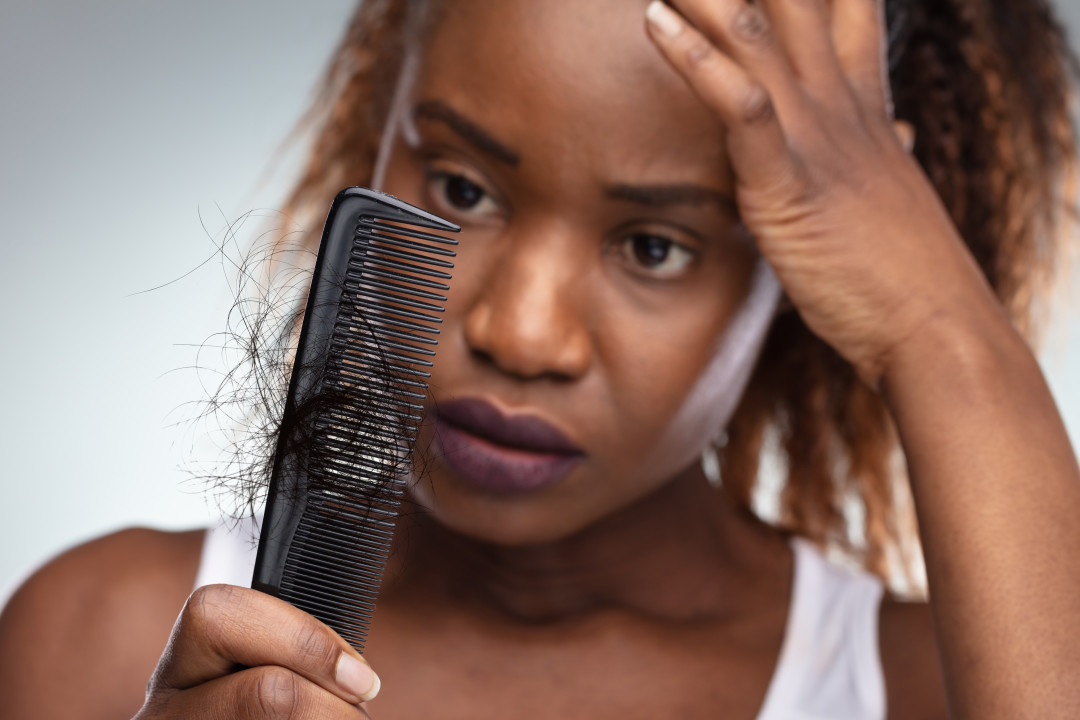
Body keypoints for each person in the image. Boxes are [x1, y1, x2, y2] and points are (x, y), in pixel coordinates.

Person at [1, 0, 1078, 717]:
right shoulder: (101, 638)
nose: (519, 334)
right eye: (462, 188)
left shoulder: (922, 688)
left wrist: (936, 327)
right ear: (379, 129)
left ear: (813, 267)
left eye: (655, 246)